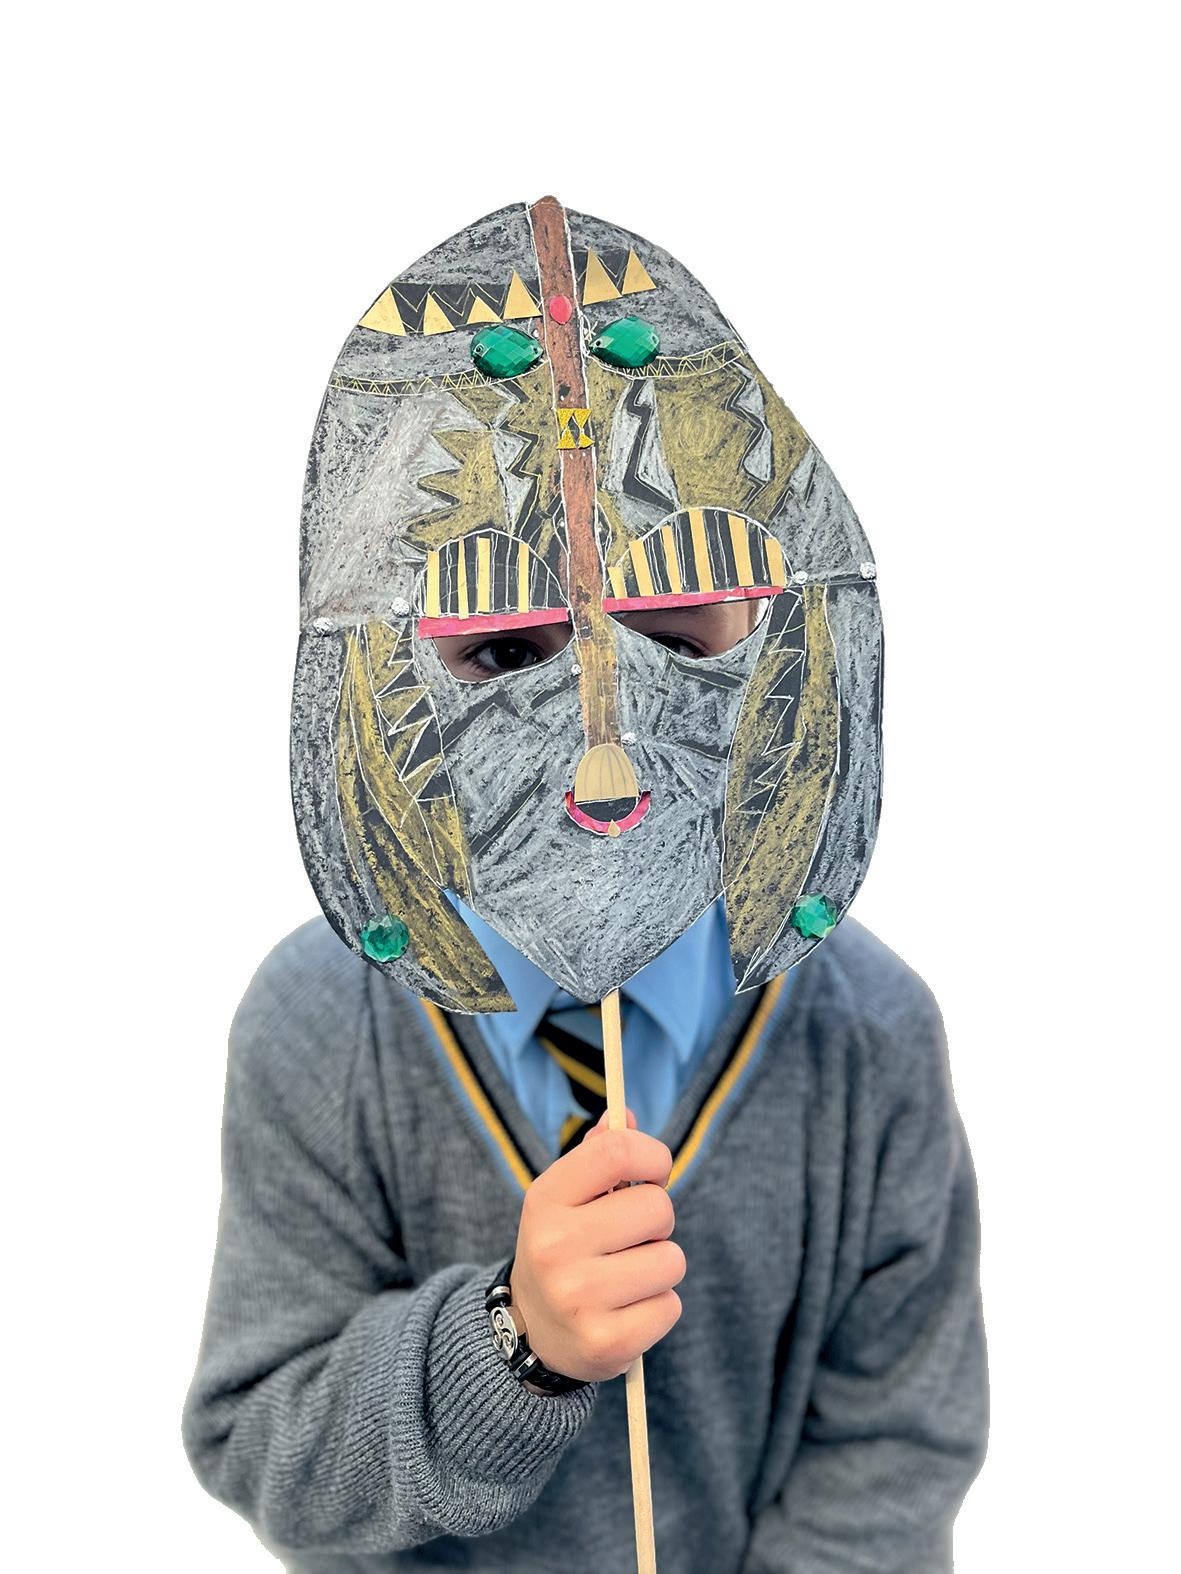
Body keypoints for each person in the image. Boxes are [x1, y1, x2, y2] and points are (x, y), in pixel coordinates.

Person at [182, 613, 988, 1574]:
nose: (597, 729)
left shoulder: (868, 1031)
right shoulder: (321, 1018)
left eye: (672, 648)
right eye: (507, 655)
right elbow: (264, 1442)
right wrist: (512, 1340)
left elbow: (896, 1446)